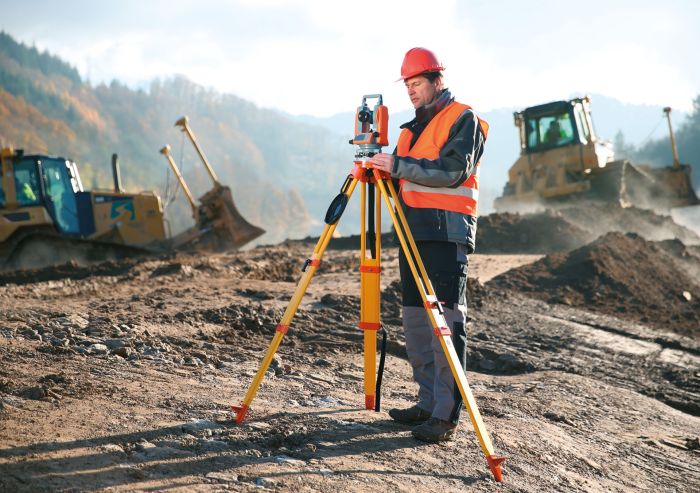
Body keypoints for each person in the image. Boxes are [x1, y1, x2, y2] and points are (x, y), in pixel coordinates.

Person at [369, 47, 487, 443]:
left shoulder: (462, 119)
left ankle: (445, 415)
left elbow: (454, 172)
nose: (411, 91)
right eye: (407, 85)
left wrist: (397, 165)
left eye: (416, 83)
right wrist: (380, 172)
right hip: (412, 232)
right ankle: (426, 401)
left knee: (446, 323)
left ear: (438, 80)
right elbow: (405, 178)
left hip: (446, 232)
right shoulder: (407, 130)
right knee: (416, 321)